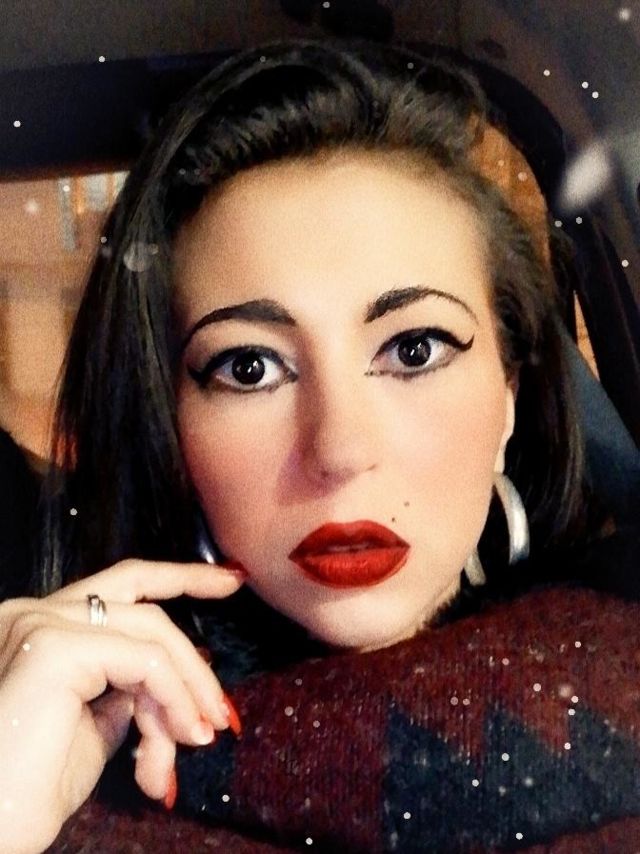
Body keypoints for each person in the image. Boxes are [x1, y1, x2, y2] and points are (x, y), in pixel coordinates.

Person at [0, 38, 634, 853]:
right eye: (250, 368)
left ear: (509, 397)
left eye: (414, 350)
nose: (338, 449)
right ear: (171, 425)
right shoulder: (61, 769)